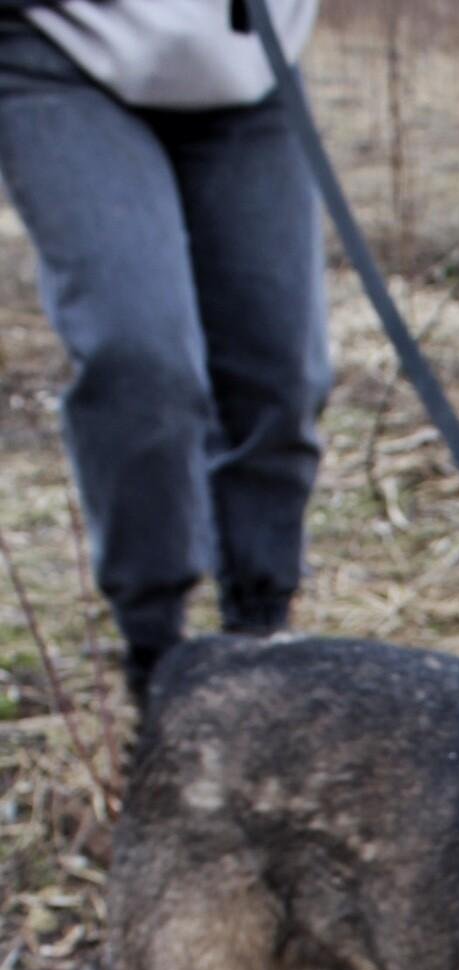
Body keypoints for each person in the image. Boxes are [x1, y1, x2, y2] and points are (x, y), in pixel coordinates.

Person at [0, 1, 330, 702]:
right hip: (57, 44)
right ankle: (159, 672)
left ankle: (262, 657)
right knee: (142, 364)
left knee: (281, 377)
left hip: (251, 57)